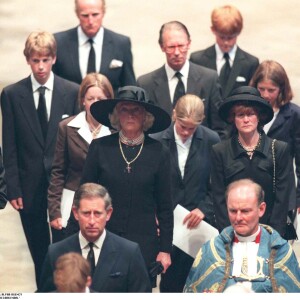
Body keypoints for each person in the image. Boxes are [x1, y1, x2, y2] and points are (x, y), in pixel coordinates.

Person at [0, 31, 79, 286]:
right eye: (36, 61)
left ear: (54, 58)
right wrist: (13, 187)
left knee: (63, 251)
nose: (41, 67)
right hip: (28, 186)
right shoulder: (12, 94)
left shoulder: (71, 92)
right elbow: (9, 144)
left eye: (45, 60)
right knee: (39, 252)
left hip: (63, 186)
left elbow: (75, 143)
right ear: (28, 60)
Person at [80, 85, 173, 287]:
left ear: (145, 116)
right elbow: (83, 196)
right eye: (124, 109)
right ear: (116, 115)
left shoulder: (159, 151)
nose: (130, 115)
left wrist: (165, 250)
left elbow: (165, 206)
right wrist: (75, 242)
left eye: (136, 110)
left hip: (144, 244)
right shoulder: (100, 147)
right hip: (104, 239)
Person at [151, 94, 220, 292]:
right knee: (169, 285)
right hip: (166, 224)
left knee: (199, 282)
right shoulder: (157, 139)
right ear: (174, 115)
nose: (187, 132)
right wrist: (156, 214)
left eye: (192, 128)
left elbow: (218, 183)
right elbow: (151, 184)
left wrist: (204, 208)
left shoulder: (211, 140)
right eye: (182, 126)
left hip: (198, 224)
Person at [184, 179, 300, 293]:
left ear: (261, 209)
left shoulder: (281, 251)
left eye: (245, 211)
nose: (238, 218)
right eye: (233, 211)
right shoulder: (211, 250)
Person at [210, 86, 295, 237]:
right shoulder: (220, 151)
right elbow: (218, 198)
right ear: (232, 118)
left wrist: (272, 238)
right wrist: (229, 235)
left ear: (259, 117)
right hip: (233, 233)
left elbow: (282, 201)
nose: (246, 119)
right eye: (240, 115)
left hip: (269, 232)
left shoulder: (278, 150)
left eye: (251, 114)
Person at [38, 183, 151, 292]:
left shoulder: (129, 253)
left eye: (97, 213)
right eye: (86, 213)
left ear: (108, 213)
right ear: (75, 213)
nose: (92, 221)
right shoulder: (56, 253)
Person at [48, 72, 114, 243]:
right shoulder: (67, 127)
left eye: (100, 99)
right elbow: (58, 171)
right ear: (83, 100)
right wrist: (54, 211)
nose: (95, 103)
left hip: (106, 206)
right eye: (90, 98)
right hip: (72, 205)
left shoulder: (117, 130)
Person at [137, 20, 228, 140]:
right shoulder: (145, 83)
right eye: (171, 47)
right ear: (162, 47)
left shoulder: (209, 79)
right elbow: (141, 128)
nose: (176, 52)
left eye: (181, 46)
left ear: (189, 44)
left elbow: (219, 128)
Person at [250, 60, 300, 218]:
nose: (265, 95)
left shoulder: (293, 115)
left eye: (271, 90)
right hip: (250, 191)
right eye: (261, 89)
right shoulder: (247, 112)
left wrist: (299, 198)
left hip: (282, 193)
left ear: (281, 90)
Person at [52, 0, 136, 92]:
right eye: (85, 15)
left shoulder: (121, 44)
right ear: (77, 13)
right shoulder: (59, 43)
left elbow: (129, 87)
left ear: (103, 12)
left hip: (109, 105)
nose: (90, 21)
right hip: (70, 105)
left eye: (95, 15)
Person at [190, 4, 259, 98]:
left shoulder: (251, 63)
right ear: (213, 30)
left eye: (230, 37)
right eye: (222, 37)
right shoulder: (198, 60)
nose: (226, 42)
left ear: (239, 32)